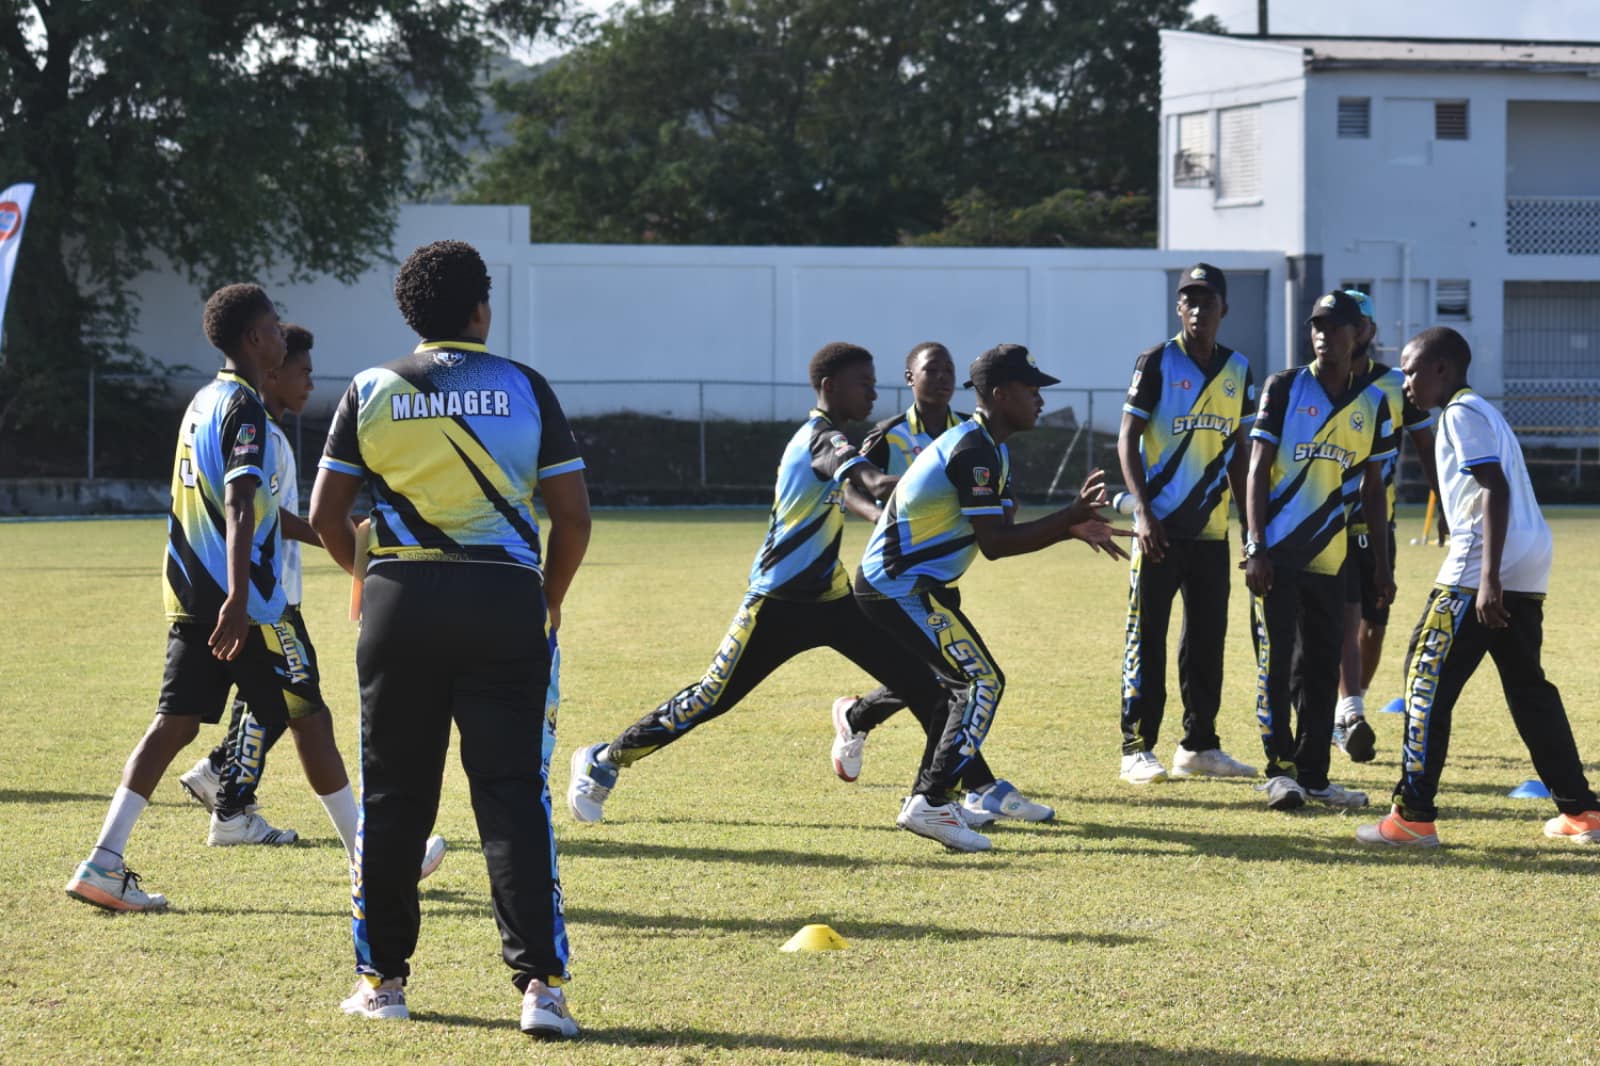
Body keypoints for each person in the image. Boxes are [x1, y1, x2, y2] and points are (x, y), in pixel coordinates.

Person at [309, 240, 592, 1037]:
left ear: (410, 313)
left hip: (400, 603)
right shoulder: (526, 386)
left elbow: (328, 515)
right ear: (480, 309)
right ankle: (541, 991)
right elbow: (572, 518)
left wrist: (373, 578)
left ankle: (383, 982)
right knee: (513, 796)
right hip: (504, 599)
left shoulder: (370, 387)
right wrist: (548, 599)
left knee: (394, 798)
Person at [566, 342, 960, 843]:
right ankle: (604, 759)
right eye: (864, 383)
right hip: (777, 602)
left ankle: (933, 802)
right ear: (830, 386)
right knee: (710, 698)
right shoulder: (821, 438)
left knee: (926, 683)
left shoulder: (833, 439)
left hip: (834, 600)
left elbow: (857, 493)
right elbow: (875, 483)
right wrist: (941, 485)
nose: (873, 393)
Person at [65, 284, 358, 911]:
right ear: (254, 338)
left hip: (189, 595)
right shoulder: (245, 407)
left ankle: (103, 861)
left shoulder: (202, 401)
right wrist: (237, 598)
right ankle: (373, 860)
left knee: (173, 725)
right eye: (274, 326)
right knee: (310, 716)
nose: (281, 336)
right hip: (249, 605)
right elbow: (239, 502)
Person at [175, 326, 445, 876]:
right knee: (302, 714)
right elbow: (259, 515)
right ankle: (365, 853)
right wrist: (342, 537)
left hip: (258, 595)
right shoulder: (261, 433)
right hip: (264, 599)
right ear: (272, 371)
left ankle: (224, 789)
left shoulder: (258, 426)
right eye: (303, 373)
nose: (310, 384)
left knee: (271, 707)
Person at [854, 343, 1129, 850]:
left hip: (911, 585)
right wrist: (1068, 517)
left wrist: (1067, 529)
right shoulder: (973, 450)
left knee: (956, 687)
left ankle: (937, 797)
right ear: (1001, 395)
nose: (1041, 399)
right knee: (981, 681)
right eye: (1032, 389)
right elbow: (997, 545)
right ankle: (931, 802)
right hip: (898, 586)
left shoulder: (990, 447)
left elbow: (1003, 534)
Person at [1357, 327, 1600, 847]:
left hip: (1483, 571)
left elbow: (1494, 486)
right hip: (1529, 564)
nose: (1406, 382)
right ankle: (1582, 812)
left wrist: (1488, 579)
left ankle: (1412, 816)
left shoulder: (1459, 414)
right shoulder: (1485, 411)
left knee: (1423, 681)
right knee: (1529, 690)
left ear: (1442, 368)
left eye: (1412, 371)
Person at [829, 342, 1053, 825]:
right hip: (899, 579)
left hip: (927, 578)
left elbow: (999, 515)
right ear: (910, 377)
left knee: (941, 685)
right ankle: (951, 796)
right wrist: (890, 519)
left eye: (949, 369)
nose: (943, 378)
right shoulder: (910, 435)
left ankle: (935, 786)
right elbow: (853, 489)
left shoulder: (982, 439)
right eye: (932, 369)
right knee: (971, 682)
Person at [1243, 291, 1395, 811]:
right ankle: (1280, 773)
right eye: (1317, 326)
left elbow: (1373, 489)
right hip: (1277, 557)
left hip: (1333, 558)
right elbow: (1257, 468)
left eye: (1335, 326)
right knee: (1276, 663)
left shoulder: (1373, 403)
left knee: (1323, 666)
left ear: (1360, 334)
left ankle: (1314, 776)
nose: (1323, 334)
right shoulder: (1284, 387)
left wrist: (1381, 566)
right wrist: (1255, 545)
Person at [1115, 263, 1258, 786]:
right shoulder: (1157, 360)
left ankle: (1199, 746)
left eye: (1207, 300)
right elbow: (1127, 437)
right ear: (1178, 308)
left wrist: (1251, 529)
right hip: (1159, 531)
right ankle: (1136, 748)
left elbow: (1240, 454)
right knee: (1147, 638)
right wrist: (1144, 512)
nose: (1197, 309)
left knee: (1206, 642)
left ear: (1224, 308)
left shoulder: (1239, 368)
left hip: (1211, 532)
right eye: (1188, 300)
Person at [1331, 290, 1442, 763]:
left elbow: (1425, 444)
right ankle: (1348, 714)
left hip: (1378, 524)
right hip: (1326, 524)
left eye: (1356, 324)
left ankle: (1348, 712)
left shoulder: (1396, 385)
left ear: (1368, 330)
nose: (1347, 332)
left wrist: (1446, 504)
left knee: (1374, 626)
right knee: (1342, 618)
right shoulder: (1319, 381)